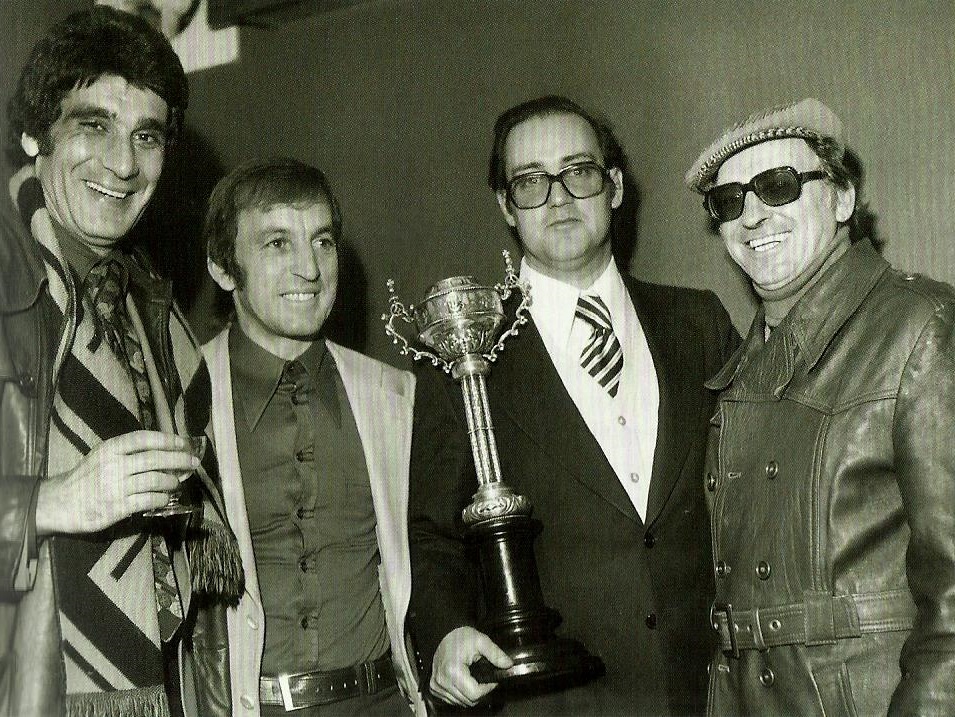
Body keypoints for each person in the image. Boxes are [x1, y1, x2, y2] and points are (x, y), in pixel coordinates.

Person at [408, 95, 739, 715]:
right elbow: (434, 535)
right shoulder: (461, 351)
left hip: (704, 693)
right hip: (552, 703)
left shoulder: (699, 323)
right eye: (530, 181)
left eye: (578, 171)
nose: (558, 198)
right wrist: (446, 630)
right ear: (505, 206)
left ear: (615, 187)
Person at [0, 7, 243, 717]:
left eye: (146, 136)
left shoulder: (152, 307)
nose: (124, 164)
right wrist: (50, 501)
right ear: (33, 136)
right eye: (93, 125)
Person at [685, 97, 955, 715]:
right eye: (728, 201)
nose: (752, 214)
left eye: (777, 186)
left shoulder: (921, 328)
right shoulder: (742, 368)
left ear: (842, 199)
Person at [202, 158, 426, 716]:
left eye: (322, 242)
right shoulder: (181, 395)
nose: (309, 269)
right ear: (223, 268)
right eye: (278, 244)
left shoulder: (396, 396)